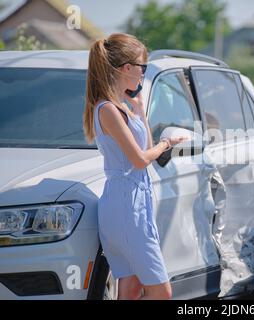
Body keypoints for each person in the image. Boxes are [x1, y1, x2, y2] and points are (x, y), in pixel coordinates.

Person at [82, 33, 186, 299]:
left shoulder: (121, 108)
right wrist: (167, 143)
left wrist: (139, 110)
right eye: (143, 67)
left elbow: (142, 149)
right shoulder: (107, 109)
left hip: (132, 202)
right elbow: (140, 159)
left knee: (130, 288)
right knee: (162, 292)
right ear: (127, 68)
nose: (143, 74)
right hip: (127, 205)